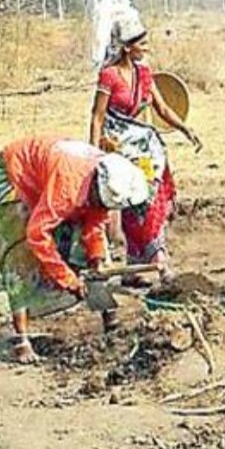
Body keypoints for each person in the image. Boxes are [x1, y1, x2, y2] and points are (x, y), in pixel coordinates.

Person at [0, 136, 149, 363]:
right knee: (20, 250)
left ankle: (109, 317)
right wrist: (68, 279)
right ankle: (21, 340)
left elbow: (94, 223)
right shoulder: (69, 189)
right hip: (17, 173)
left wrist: (96, 260)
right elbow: (37, 234)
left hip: (52, 179)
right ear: (97, 189)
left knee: (88, 248)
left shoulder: (104, 178)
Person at [89, 16, 202, 284]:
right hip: (119, 148)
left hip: (145, 150)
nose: (147, 47)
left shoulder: (144, 73)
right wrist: (94, 154)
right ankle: (155, 260)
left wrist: (185, 129)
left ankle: (145, 260)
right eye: (143, 43)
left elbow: (161, 109)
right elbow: (97, 117)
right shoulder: (109, 76)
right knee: (134, 204)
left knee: (154, 199)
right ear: (128, 47)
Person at [89, 0, 143, 71]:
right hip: (118, 61)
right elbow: (100, 38)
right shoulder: (105, 7)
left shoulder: (126, 3)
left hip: (136, 57)